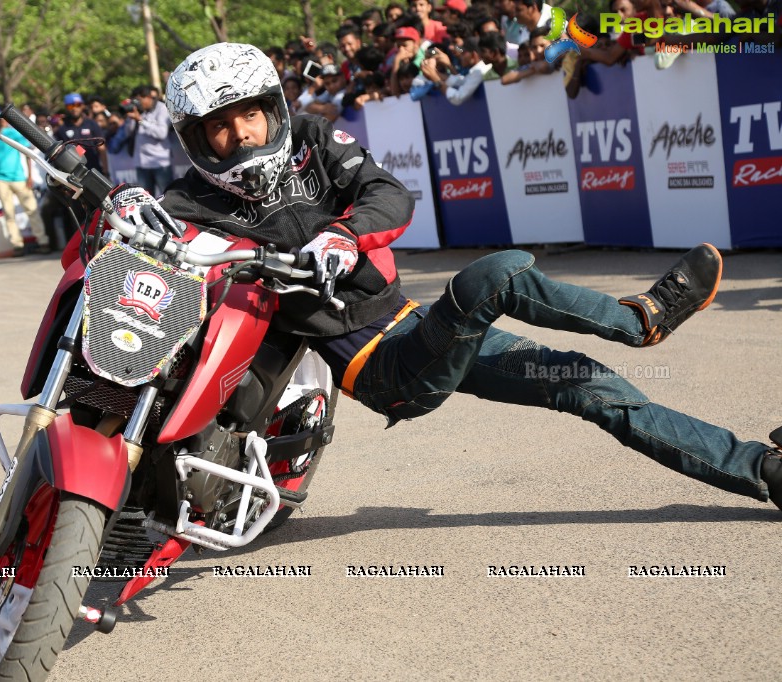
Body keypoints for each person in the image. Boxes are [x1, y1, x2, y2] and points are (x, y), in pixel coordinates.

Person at [104, 42, 782, 515]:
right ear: (195, 138)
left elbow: (387, 195)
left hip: (417, 326)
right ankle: (637, 320)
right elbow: (159, 244)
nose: (241, 135)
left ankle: (760, 468)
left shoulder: (310, 138)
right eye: (218, 128)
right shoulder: (191, 201)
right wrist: (116, 212)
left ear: (271, 108)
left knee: (589, 387)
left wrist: (342, 234)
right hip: (385, 368)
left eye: (248, 113)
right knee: (493, 276)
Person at [0, 107, 50, 256]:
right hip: (0, 180)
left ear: (2, 120)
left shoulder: (12, 134)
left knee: (32, 210)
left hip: (19, 177)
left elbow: (27, 153)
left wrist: (29, 176)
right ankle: (17, 245)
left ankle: (42, 241)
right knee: (8, 213)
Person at [115, 85, 174, 196]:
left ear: (148, 97)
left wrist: (140, 120)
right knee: (146, 199)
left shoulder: (161, 109)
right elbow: (128, 132)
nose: (138, 103)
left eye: (139, 100)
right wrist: (130, 119)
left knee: (167, 197)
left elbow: (162, 133)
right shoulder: (139, 111)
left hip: (159, 163)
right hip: (141, 163)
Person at [55, 93, 106, 175]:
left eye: (77, 105)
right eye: (70, 106)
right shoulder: (62, 129)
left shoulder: (92, 124)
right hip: (73, 173)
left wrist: (106, 170)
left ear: (82, 105)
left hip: (94, 170)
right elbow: (60, 152)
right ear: (66, 108)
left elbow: (102, 148)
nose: (74, 108)